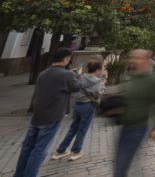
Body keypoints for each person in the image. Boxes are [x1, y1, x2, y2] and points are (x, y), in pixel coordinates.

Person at [14, 48, 81, 177]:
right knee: (40, 150)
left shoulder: (43, 73)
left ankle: (19, 174)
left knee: (27, 147)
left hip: (37, 116)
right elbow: (76, 87)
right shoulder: (66, 75)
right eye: (69, 58)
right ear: (65, 59)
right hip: (52, 116)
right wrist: (76, 75)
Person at [114, 49, 155, 177]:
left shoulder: (153, 80)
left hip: (137, 128)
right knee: (120, 163)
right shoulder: (131, 76)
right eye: (132, 57)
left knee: (121, 166)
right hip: (124, 126)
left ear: (146, 60)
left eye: (137, 58)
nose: (132, 60)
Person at [52, 61, 105, 161]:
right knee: (82, 129)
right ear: (97, 70)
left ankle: (60, 150)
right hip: (88, 105)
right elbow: (98, 94)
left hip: (77, 105)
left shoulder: (80, 77)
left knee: (73, 128)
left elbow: (74, 89)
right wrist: (103, 86)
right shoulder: (97, 81)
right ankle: (76, 151)